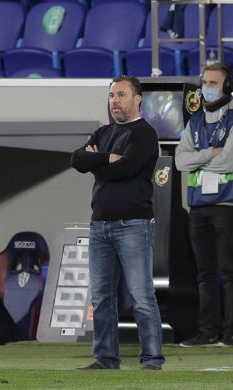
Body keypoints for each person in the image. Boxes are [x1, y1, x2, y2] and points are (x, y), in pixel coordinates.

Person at [70, 75, 165, 370]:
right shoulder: (102, 132)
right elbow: (76, 160)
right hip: (99, 225)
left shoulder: (145, 134)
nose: (114, 101)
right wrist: (106, 159)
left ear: (138, 99)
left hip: (133, 225)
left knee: (141, 295)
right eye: (112, 95)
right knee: (101, 297)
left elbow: (125, 170)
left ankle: (151, 358)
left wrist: (97, 162)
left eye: (121, 95)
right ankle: (105, 358)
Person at [175, 62, 233, 348]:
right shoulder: (194, 122)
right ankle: (207, 332)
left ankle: (232, 332)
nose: (206, 88)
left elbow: (229, 161)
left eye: (213, 83)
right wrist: (210, 152)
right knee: (204, 273)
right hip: (197, 205)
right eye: (204, 82)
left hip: (226, 204)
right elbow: (180, 161)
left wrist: (200, 157)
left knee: (228, 270)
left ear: (227, 86)